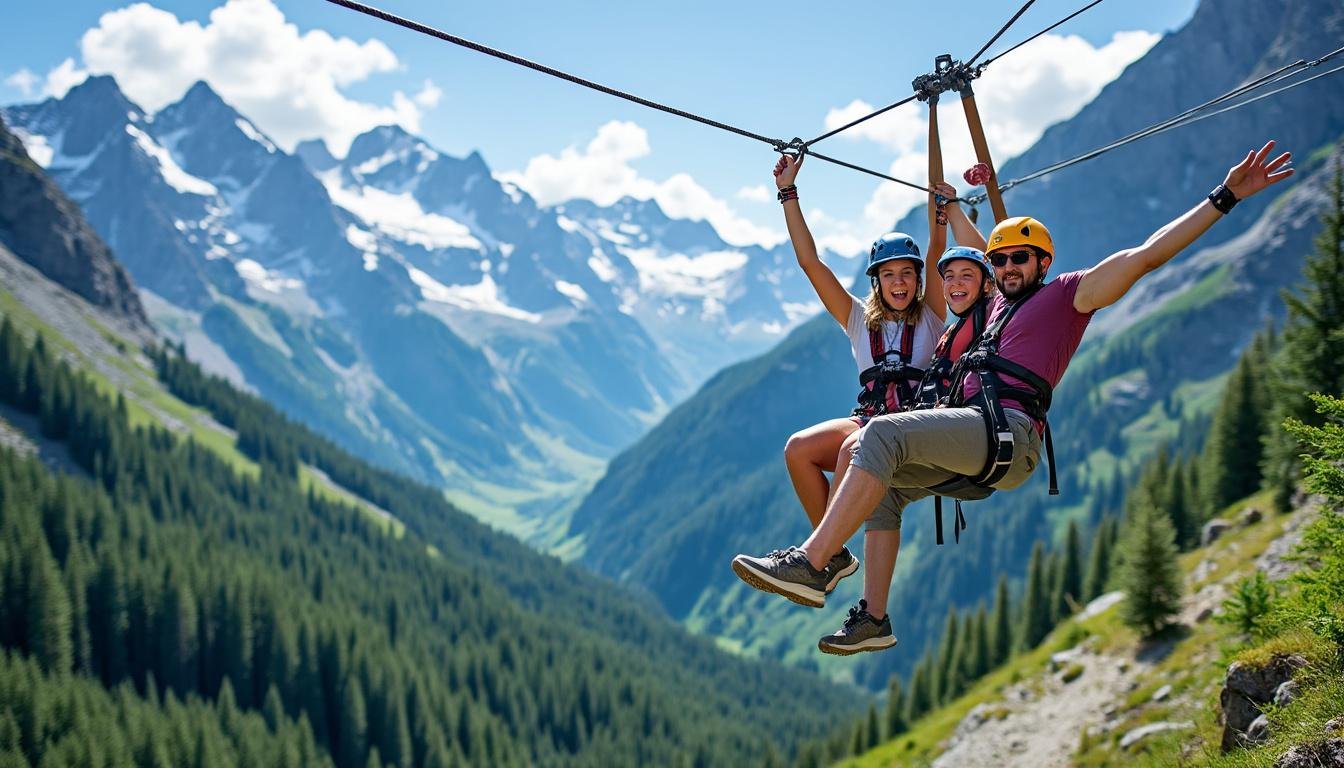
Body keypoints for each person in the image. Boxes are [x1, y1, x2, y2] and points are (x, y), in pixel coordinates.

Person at [733, 140, 1294, 654]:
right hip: (975, 437)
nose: (1005, 266)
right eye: (998, 262)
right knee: (873, 471)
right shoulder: (994, 303)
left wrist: (1224, 197)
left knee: (879, 434)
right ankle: (874, 619)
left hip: (1007, 434)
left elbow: (1146, 256)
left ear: (1043, 263)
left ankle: (813, 561)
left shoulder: (1069, 297)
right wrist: (953, 204)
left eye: (1019, 259)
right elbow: (979, 246)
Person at [769, 150, 947, 600]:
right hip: (868, 421)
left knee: (854, 445)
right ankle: (833, 556)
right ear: (876, 281)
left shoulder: (931, 315)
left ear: (919, 279)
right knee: (798, 450)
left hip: (912, 430)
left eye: (907, 273)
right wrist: (788, 192)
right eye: (889, 275)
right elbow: (811, 263)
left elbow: (937, 247)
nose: (900, 282)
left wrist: (941, 209)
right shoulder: (857, 319)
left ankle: (814, 556)